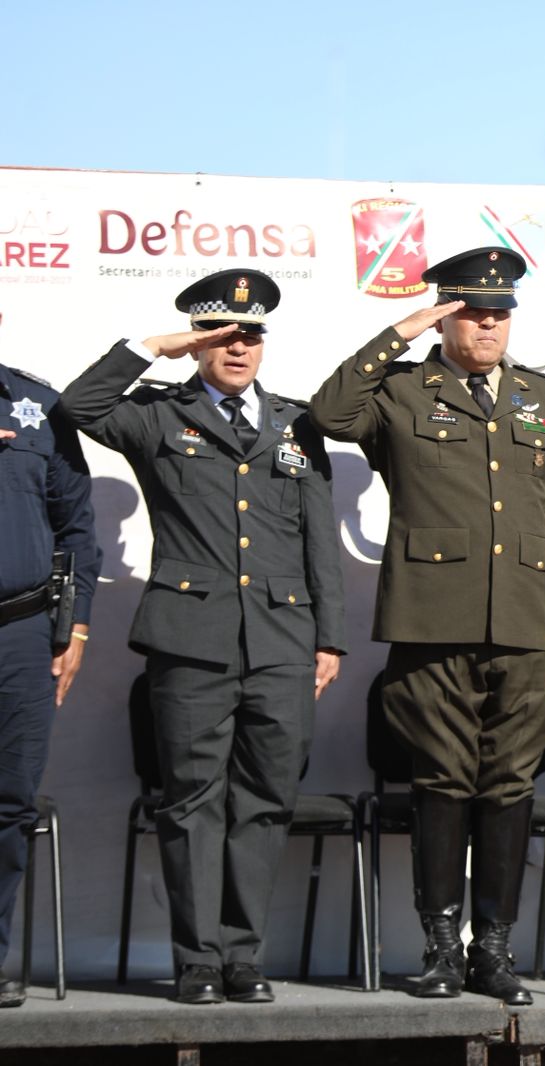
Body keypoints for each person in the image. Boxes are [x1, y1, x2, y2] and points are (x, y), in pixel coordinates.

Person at [311, 247, 545, 1005]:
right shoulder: (402, 391)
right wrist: (400, 332)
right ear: (444, 316)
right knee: (441, 781)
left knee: (509, 784)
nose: (490, 325)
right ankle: (440, 946)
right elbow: (328, 413)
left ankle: (493, 950)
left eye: (500, 313)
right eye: (473, 311)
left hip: (528, 626)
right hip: (432, 623)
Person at [59, 271, 343, 1005]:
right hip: (191, 640)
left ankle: (243, 957)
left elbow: (318, 539)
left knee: (266, 799)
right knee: (191, 801)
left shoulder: (296, 423)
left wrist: (330, 639)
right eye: (222, 335)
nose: (238, 347)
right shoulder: (158, 416)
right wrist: (155, 347)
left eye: (251, 335)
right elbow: (79, 406)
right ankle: (198, 961)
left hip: (282, 640)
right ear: (198, 342)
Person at [0, 312, 99, 1008]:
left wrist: (77, 627)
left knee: (9, 800)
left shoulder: (35, 405)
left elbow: (76, 526)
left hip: (20, 633)